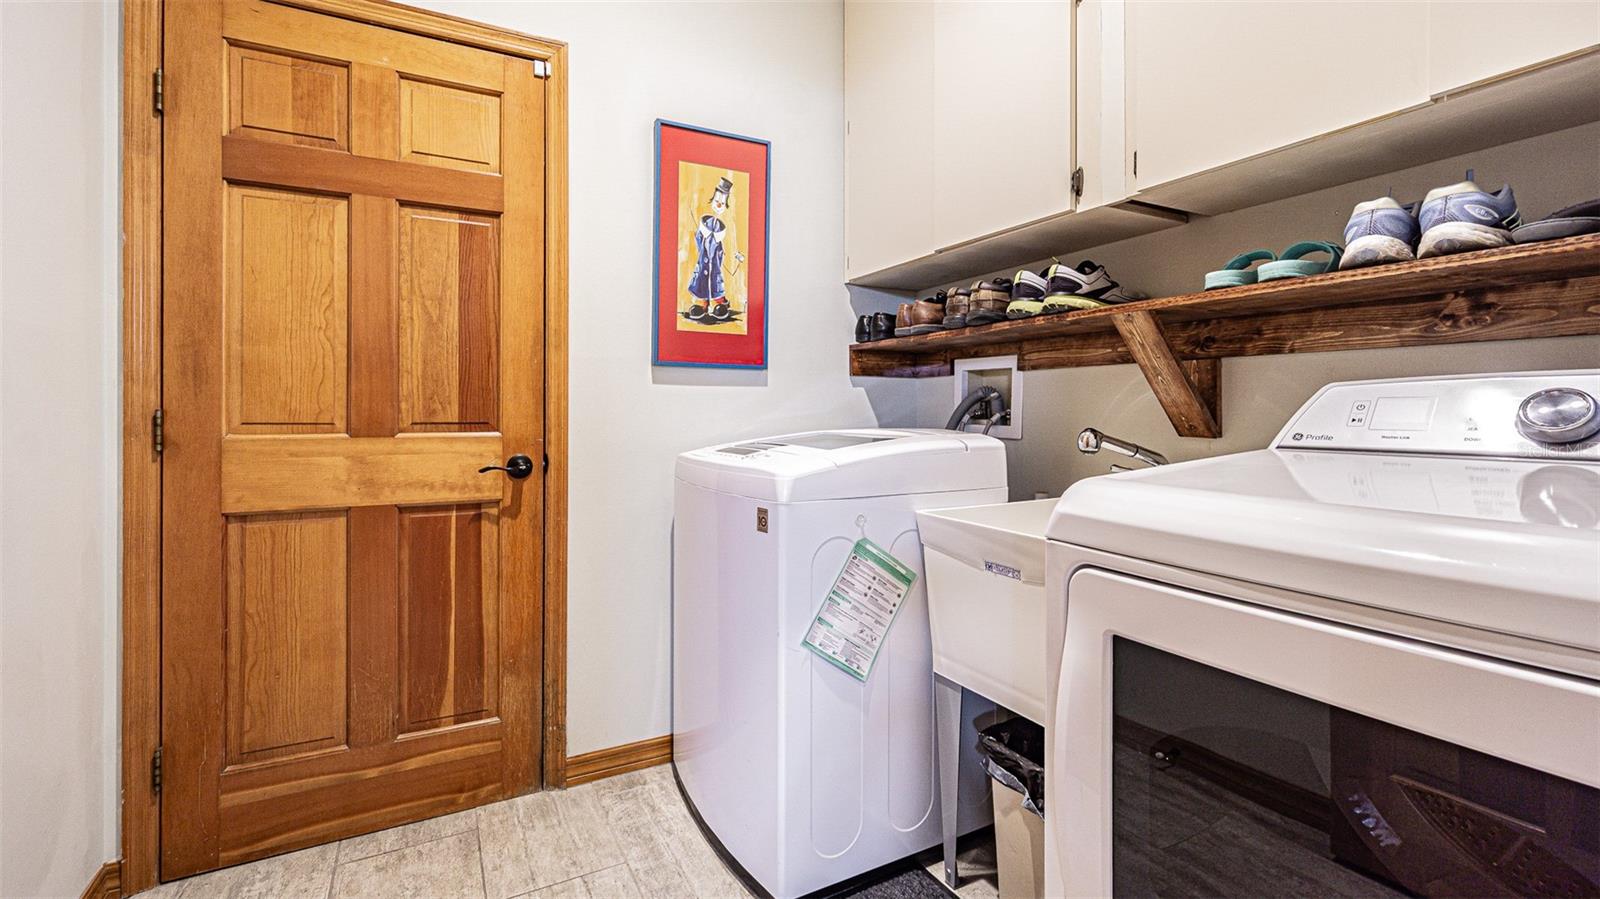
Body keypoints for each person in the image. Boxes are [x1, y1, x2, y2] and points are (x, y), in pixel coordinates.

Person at [686, 176, 745, 322]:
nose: (719, 205)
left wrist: (736, 257)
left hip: (716, 268)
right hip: (702, 266)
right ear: (712, 201)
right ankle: (703, 304)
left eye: (722, 203)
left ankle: (721, 303)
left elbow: (728, 248)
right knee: (701, 282)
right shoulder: (704, 227)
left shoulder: (723, 230)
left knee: (715, 283)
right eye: (717, 201)